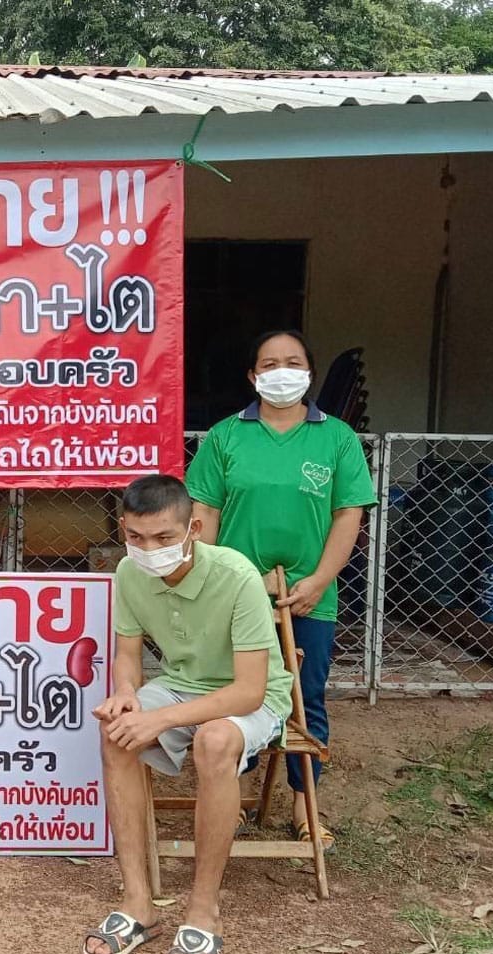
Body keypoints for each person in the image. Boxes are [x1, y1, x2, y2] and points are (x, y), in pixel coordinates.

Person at [84, 474, 291, 954]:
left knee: (215, 740)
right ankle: (138, 904)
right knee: (115, 730)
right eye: (136, 537)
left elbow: (248, 691)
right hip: (180, 686)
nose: (149, 549)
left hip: (250, 697)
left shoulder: (236, 575)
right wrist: (127, 693)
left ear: (193, 529)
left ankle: (203, 910)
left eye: (163, 537)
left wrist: (160, 717)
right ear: (122, 528)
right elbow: (127, 656)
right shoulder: (129, 572)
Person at [185, 330, 376, 848]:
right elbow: (204, 512)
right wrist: (209, 579)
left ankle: (303, 806)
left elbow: (349, 514)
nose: (281, 372)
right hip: (235, 594)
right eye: (269, 364)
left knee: (304, 697)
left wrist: (320, 580)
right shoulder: (226, 436)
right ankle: (234, 798)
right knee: (231, 693)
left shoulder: (337, 438)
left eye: (292, 362)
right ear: (253, 376)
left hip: (311, 595)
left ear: (309, 373)